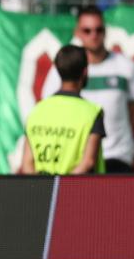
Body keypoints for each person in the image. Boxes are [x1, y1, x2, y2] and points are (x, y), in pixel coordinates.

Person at [41, 7, 134, 173]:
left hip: (117, 156)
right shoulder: (62, 69)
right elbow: (50, 109)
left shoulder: (126, 67)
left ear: (105, 31)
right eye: (87, 30)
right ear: (77, 32)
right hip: (76, 160)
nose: (94, 35)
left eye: (99, 30)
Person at [22, 44, 105, 175]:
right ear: (85, 71)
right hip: (81, 192)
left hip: (42, 192)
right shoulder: (92, 112)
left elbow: (27, 164)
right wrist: (63, 187)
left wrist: (44, 188)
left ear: (58, 71)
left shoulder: (36, 111)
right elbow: (88, 162)